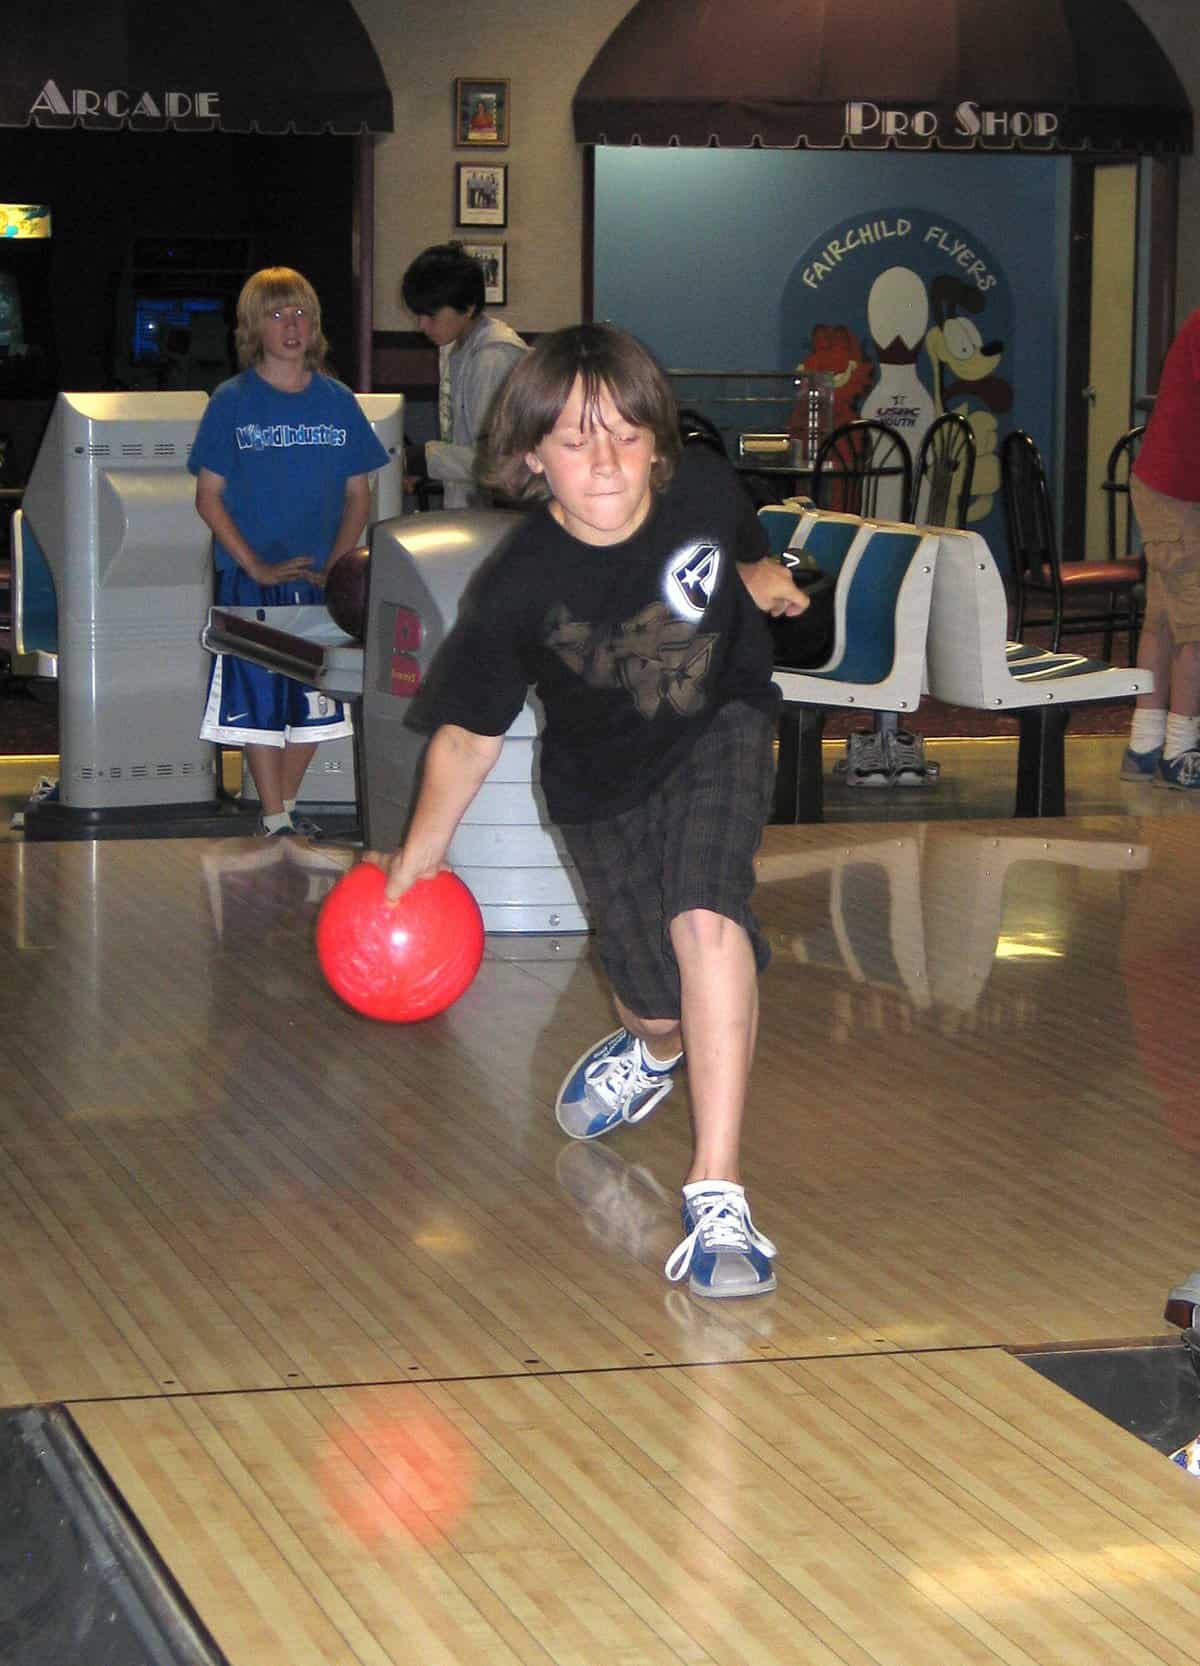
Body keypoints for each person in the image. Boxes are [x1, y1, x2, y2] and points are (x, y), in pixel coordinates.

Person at [368, 323, 810, 1298]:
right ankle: (655, 1043)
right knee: (655, 997)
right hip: (597, 784)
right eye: (574, 438)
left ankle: (716, 1189)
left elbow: (737, 535)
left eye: (623, 431)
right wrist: (418, 861)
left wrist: (760, 573)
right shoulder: (516, 584)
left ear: (658, 438)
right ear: (533, 460)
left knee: (708, 911)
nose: (604, 457)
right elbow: (467, 736)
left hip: (718, 729)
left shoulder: (701, 483)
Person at [190, 266, 389, 836]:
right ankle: (274, 815)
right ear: (254, 326)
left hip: (321, 579)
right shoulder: (232, 401)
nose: (291, 325)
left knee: (317, 700)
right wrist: (253, 564)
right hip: (252, 578)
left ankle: (283, 811)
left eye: (300, 313)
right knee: (256, 697)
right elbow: (208, 497)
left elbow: (359, 492)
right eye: (277, 315)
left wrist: (340, 562)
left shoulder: (336, 401)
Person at [1121, 307, 1200, 791]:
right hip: (1178, 488)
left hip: (1165, 483)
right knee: (1197, 623)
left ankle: (1145, 741)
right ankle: (1182, 748)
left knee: (1165, 617)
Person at [401, 242, 527, 508]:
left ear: (468, 307)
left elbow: (499, 460)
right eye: (418, 315)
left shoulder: (494, 356)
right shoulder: (455, 346)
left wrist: (422, 459)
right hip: (469, 509)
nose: (422, 325)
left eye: (431, 315)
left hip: (498, 515)